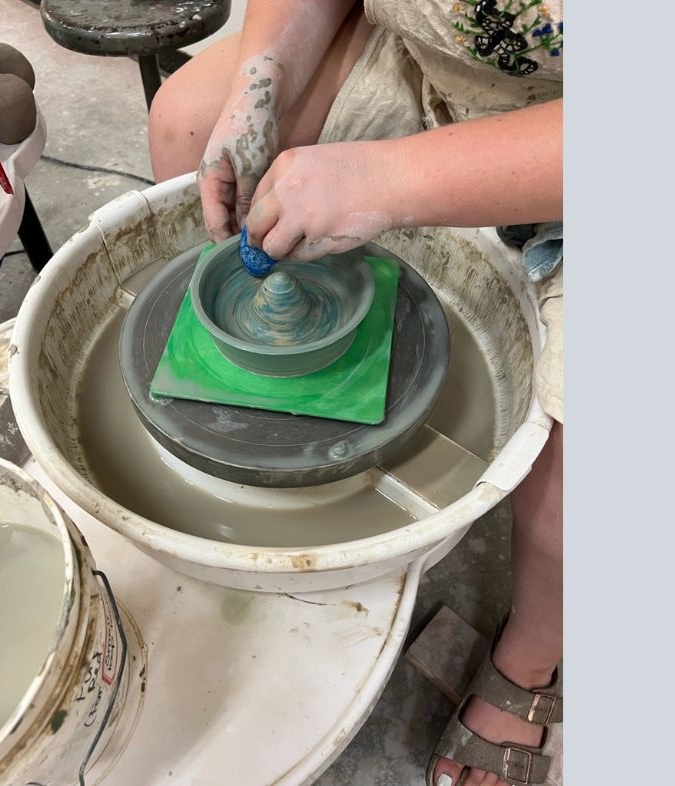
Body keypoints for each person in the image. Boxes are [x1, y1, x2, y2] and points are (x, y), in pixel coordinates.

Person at [148, 1, 562, 783]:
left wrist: (388, 177)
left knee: (572, 458)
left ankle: (530, 659)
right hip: (422, 48)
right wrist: (259, 85)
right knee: (187, 123)